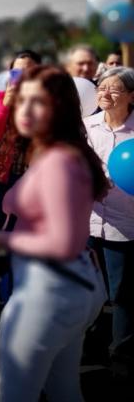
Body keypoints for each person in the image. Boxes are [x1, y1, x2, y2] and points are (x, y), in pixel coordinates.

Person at [0, 66, 109, 402]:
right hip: (74, 284)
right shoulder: (69, 152)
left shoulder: (59, 160)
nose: (25, 110)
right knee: (63, 389)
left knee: (12, 394)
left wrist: (2, 240)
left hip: (49, 290)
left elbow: (62, 241)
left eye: (38, 102)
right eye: (23, 101)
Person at [84, 66, 134, 376]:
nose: (105, 94)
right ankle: (88, 343)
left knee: (123, 294)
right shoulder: (86, 126)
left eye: (114, 89)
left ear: (131, 96)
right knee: (88, 288)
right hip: (88, 219)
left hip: (125, 223)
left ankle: (122, 355)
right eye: (102, 88)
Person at [0, 50, 41, 227]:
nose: (23, 76)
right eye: (17, 72)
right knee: (6, 226)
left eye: (29, 71)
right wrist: (7, 103)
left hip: (37, 174)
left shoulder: (48, 100)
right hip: (6, 177)